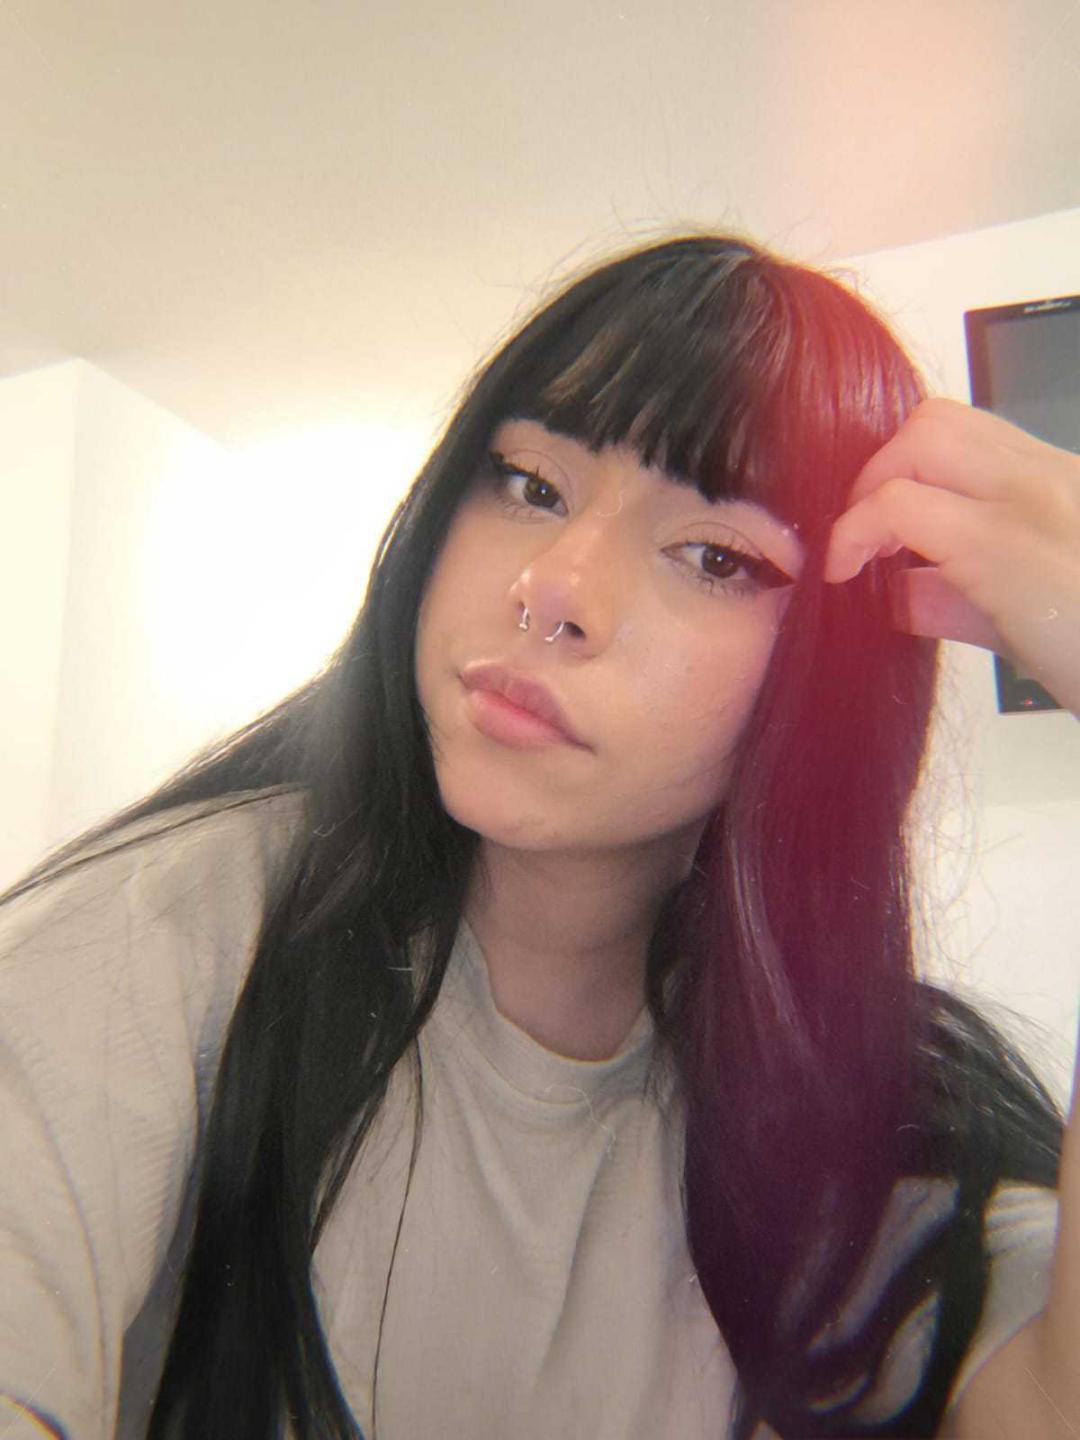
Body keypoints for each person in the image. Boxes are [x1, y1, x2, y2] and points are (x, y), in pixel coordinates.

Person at [1, 235, 1077, 1440]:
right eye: (530, 485)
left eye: (714, 556)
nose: (555, 588)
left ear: (832, 677)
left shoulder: (870, 1119)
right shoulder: (167, 940)